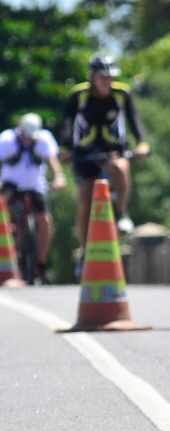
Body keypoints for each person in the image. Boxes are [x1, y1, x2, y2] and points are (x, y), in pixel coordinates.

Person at [62, 55, 150, 250]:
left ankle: (121, 213)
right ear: (92, 77)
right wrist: (65, 149)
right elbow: (67, 123)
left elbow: (134, 121)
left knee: (121, 167)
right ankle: (84, 249)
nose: (107, 82)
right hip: (85, 152)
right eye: (102, 77)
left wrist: (142, 143)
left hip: (113, 150)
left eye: (110, 78)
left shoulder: (122, 94)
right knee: (85, 199)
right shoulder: (79, 95)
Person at [0, 113, 66, 283]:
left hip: (36, 187)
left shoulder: (44, 139)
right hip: (11, 185)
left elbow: (53, 161)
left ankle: (41, 263)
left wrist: (59, 176)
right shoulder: (7, 139)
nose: (28, 140)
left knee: (45, 221)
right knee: (4, 218)